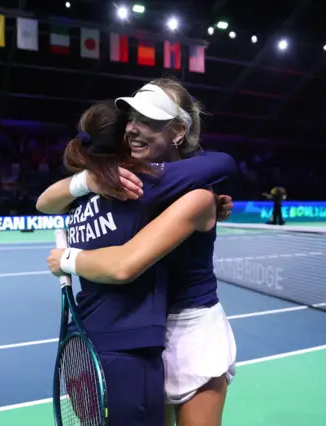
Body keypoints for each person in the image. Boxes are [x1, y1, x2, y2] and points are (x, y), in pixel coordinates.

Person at [39, 77, 236, 426]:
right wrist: (89, 180)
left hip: (190, 330)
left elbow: (124, 265)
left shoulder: (191, 194)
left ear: (177, 131)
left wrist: (66, 259)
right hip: (143, 332)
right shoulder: (127, 181)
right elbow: (45, 201)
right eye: (132, 119)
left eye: (148, 121)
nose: (132, 129)